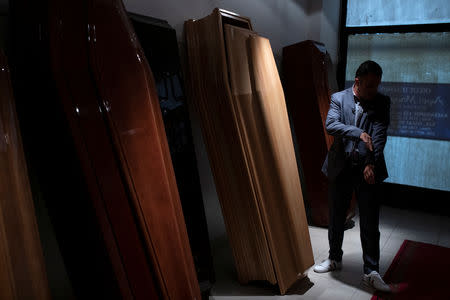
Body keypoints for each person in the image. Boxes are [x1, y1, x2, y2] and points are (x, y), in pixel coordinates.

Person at [314, 60, 391, 292]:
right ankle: (334, 258)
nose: (373, 90)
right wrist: (359, 134)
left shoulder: (382, 101)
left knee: (370, 220)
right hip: (341, 167)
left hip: (368, 168)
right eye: (369, 86)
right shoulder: (339, 98)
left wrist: (371, 163)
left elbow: (378, 135)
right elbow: (332, 125)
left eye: (377, 85)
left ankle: (371, 271)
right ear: (357, 81)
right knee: (336, 216)